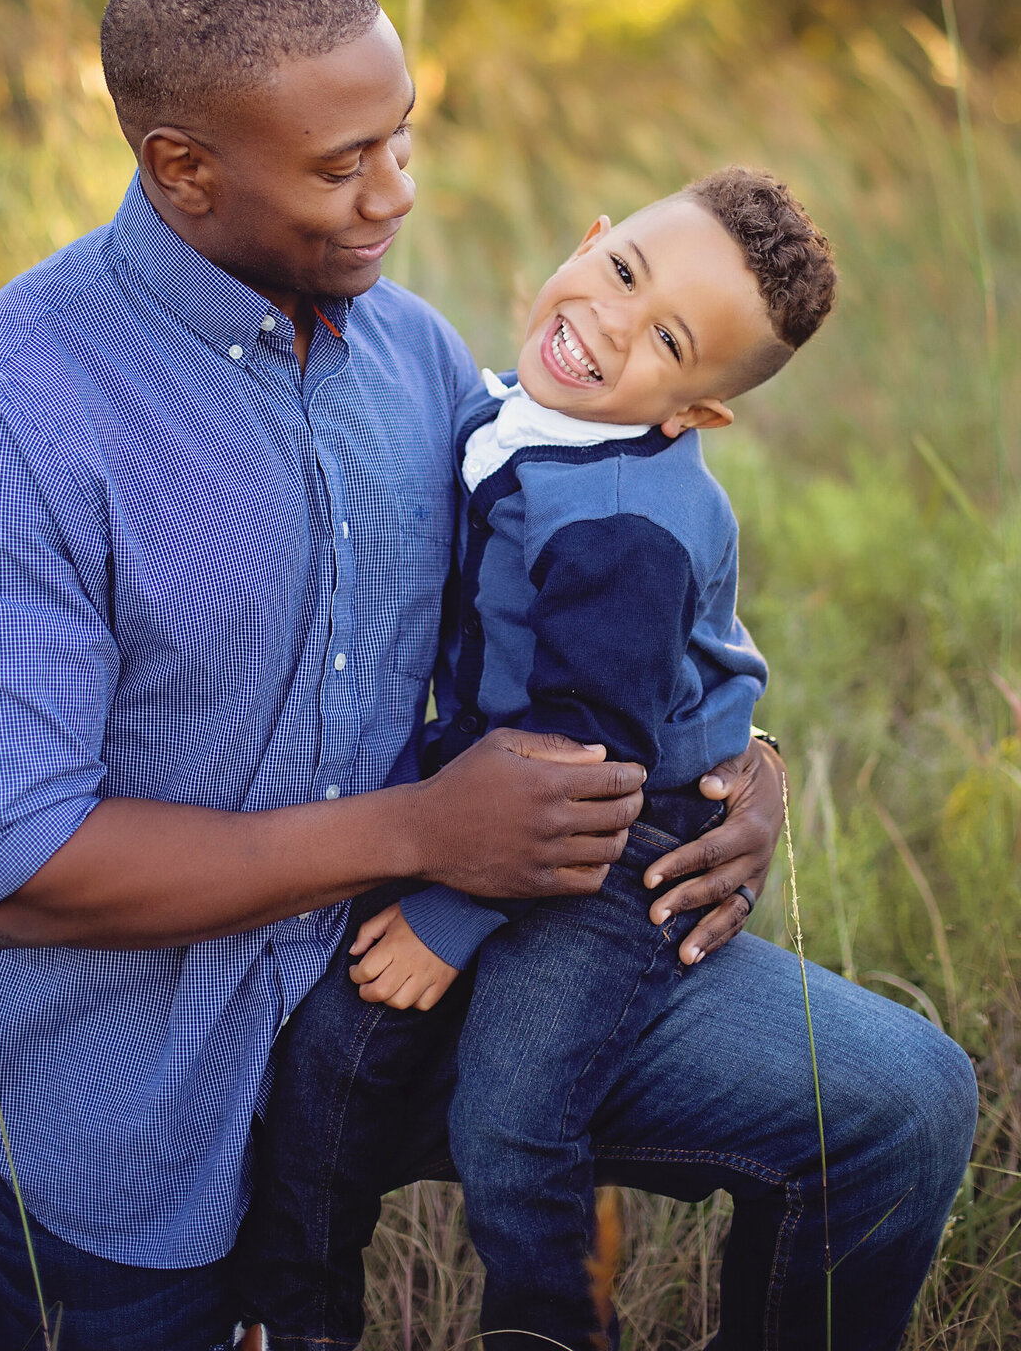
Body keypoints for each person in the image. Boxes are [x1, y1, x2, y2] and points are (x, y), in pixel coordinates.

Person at [0, 0, 791, 1351]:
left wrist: (740, 752)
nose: (395, 196)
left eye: (400, 140)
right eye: (343, 166)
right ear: (182, 167)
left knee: (890, 1105)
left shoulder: (407, 349)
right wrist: (426, 831)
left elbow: (593, 571)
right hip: (140, 1074)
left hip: (389, 985)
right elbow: (11, 872)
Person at [238, 170, 846, 1351]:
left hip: (620, 835)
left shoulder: (621, 527)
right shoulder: (518, 410)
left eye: (668, 338)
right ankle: (291, 1317)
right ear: (594, 236)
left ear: (695, 415)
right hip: (490, 782)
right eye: (624, 274)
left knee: (514, 1116)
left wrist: (449, 921)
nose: (613, 321)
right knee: (336, 1050)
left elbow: (590, 772)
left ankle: (551, 1328)